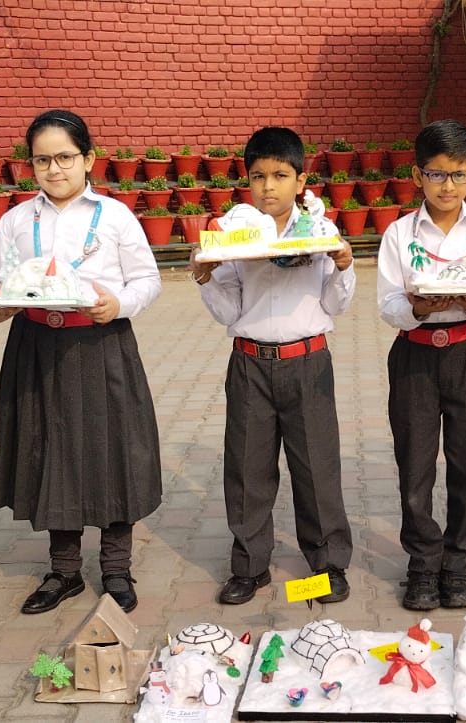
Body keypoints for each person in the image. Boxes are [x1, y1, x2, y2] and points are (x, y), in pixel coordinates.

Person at [0, 110, 164, 615]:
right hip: (36, 344)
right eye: (42, 160)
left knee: (113, 451)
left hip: (101, 343)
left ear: (88, 159)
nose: (54, 169)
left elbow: (147, 279)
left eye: (64, 157)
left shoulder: (116, 215)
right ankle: (63, 571)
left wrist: (118, 305)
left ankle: (116, 569)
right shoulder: (16, 220)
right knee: (49, 449)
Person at [186, 126, 356, 606]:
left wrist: (344, 264)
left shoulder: (320, 231)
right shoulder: (236, 234)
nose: (268, 187)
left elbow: (335, 303)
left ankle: (327, 567)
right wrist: (205, 277)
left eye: (281, 175)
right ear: (247, 181)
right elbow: (230, 312)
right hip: (250, 364)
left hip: (308, 362)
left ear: (301, 182)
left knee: (317, 468)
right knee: (246, 468)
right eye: (258, 176)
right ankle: (250, 566)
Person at [373, 119, 466, 610]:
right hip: (413, 356)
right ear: (417, 175)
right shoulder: (399, 234)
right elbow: (388, 304)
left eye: (458, 174)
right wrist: (418, 307)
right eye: (436, 174)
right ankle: (422, 566)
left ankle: (458, 566)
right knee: (415, 466)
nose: (447, 186)